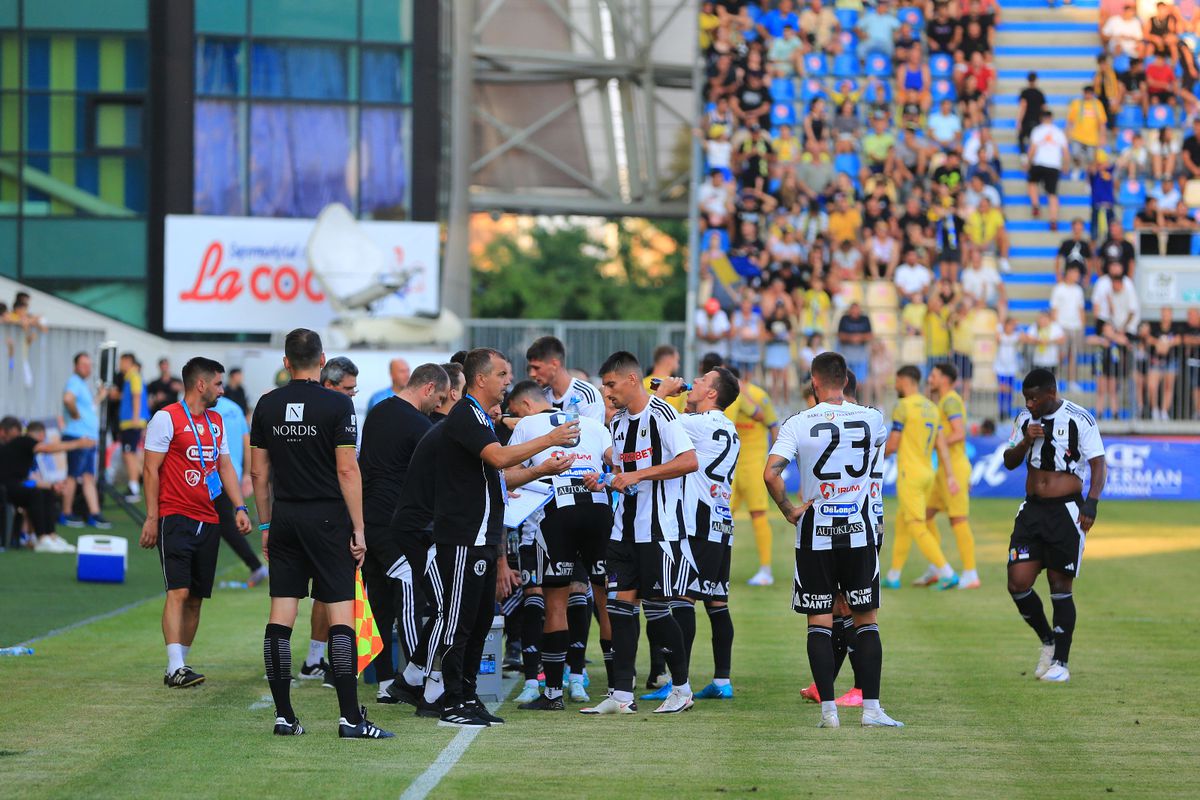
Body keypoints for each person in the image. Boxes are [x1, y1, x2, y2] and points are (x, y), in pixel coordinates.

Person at [250, 328, 393, 739]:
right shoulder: (337, 404)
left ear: (285, 361)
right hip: (329, 519)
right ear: (322, 358)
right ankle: (350, 718)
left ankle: (284, 717)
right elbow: (348, 470)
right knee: (340, 615)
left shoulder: (267, 404)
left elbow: (259, 473)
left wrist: (265, 524)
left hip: (286, 517)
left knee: (280, 616)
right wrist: (360, 528)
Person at [429, 348, 578, 727]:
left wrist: (543, 468)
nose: (507, 380)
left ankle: (467, 695)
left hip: (482, 535)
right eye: (502, 373)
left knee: (480, 621)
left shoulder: (481, 418)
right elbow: (498, 459)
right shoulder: (465, 414)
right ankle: (450, 701)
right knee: (460, 621)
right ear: (480, 379)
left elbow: (499, 476)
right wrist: (550, 438)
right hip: (463, 535)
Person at [764, 352, 903, 729]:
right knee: (866, 621)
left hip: (815, 531)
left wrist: (789, 509)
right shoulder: (873, 418)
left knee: (819, 622)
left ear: (814, 380)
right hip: (858, 530)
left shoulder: (797, 423)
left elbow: (771, 474)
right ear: (845, 380)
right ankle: (872, 710)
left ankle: (829, 712)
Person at [579, 351, 699, 716]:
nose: (606, 392)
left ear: (633, 380)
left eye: (611, 384)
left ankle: (681, 688)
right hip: (623, 530)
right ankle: (620, 694)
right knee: (619, 610)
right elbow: (625, 472)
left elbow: (689, 461)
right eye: (603, 386)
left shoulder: (662, 414)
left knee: (658, 612)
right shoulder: (616, 424)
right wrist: (604, 481)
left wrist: (636, 475)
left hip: (659, 530)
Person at [140, 357, 252, 688]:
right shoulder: (166, 418)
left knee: (197, 596)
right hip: (175, 515)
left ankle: (180, 665)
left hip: (209, 517)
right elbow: (150, 470)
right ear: (201, 384)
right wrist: (151, 517)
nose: (223, 389)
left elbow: (225, 466)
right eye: (218, 383)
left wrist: (240, 507)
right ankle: (174, 664)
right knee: (179, 590)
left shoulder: (216, 421)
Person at [504, 380, 614, 710]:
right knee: (603, 599)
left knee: (553, 600)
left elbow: (507, 474)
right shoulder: (594, 424)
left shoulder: (526, 425)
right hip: (598, 509)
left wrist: (536, 472)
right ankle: (619, 689)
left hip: (555, 512)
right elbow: (616, 464)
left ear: (525, 405)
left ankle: (551, 693)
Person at [1002, 368, 1107, 683]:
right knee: (1017, 581)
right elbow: (1009, 460)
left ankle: (1061, 661)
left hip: (1065, 512)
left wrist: (1092, 502)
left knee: (1060, 586)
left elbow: (1098, 463)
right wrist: (1025, 441)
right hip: (1032, 510)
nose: (1030, 403)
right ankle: (1047, 639)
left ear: (1051, 393)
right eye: (1026, 398)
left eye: (1035, 398)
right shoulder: (1024, 420)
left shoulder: (1079, 418)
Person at [357, 363, 450, 700]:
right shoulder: (418, 424)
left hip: (370, 520)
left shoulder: (378, 412)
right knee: (411, 595)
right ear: (427, 388)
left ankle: (384, 682)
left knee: (379, 600)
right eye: (438, 398)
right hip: (395, 524)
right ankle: (416, 676)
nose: (438, 406)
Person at [657, 368, 742, 701]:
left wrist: (664, 393)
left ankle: (679, 682)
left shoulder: (696, 424)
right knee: (717, 603)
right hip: (721, 522)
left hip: (696, 523)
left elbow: (655, 423)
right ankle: (722, 680)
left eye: (703, 380)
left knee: (682, 600)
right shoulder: (729, 428)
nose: (694, 381)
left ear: (711, 393)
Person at [883, 366, 961, 590]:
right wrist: (950, 476)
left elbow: (894, 443)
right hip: (928, 472)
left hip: (911, 474)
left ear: (902, 380)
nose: (895, 386)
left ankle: (947, 572)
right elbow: (942, 445)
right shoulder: (931, 407)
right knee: (903, 521)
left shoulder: (903, 406)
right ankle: (894, 575)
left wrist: (874, 454)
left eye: (896, 381)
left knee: (916, 525)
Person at [918, 362, 980, 590]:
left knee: (958, 519)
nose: (930, 378)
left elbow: (959, 433)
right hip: (943, 470)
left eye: (933, 375)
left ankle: (971, 573)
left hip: (954, 469)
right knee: (925, 516)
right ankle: (936, 567)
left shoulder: (951, 400)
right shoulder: (942, 401)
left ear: (944, 379)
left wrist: (933, 441)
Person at [0, 417, 94, 553]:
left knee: (45, 492)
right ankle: (41, 538)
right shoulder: (23, 441)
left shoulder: (17, 449)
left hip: (12, 486)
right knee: (35, 493)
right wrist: (79, 444)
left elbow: (27, 478)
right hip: (5, 488)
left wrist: (51, 486)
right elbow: (46, 448)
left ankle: (51, 536)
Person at [724, 366, 780, 587]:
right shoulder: (724, 396)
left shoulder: (758, 395)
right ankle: (718, 567)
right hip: (729, 465)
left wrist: (775, 463)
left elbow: (774, 424)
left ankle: (766, 570)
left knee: (758, 513)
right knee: (722, 516)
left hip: (754, 463)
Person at [213, 390, 267, 586]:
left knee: (223, 524)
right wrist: (245, 474)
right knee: (221, 523)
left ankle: (256, 566)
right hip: (232, 472)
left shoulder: (208, 410)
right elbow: (248, 442)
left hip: (217, 474)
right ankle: (256, 566)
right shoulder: (235, 409)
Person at [60, 352, 111, 530]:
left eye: (89, 365)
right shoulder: (74, 381)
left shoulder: (81, 384)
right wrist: (74, 413)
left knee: (88, 476)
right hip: (78, 437)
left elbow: (87, 408)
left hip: (87, 439)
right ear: (75, 366)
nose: (87, 368)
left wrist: (99, 397)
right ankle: (65, 513)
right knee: (73, 476)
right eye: (83, 364)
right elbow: (68, 399)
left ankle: (94, 513)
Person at [525, 335, 606, 421]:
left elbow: (593, 433)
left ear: (554, 364)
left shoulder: (586, 395)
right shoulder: (542, 397)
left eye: (537, 368)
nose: (532, 374)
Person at [1027, 109, 1070, 230]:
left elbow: (1033, 148)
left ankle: (1035, 205)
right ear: (1052, 118)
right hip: (1054, 165)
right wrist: (1066, 165)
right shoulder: (1058, 132)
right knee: (1052, 194)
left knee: (1032, 183)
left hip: (1039, 162)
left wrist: (1028, 162)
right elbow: (1066, 152)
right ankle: (1053, 220)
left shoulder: (1037, 130)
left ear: (1041, 118)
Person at [117, 352, 150, 502]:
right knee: (132, 454)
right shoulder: (130, 377)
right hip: (131, 421)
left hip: (132, 422)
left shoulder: (134, 376)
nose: (120, 365)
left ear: (128, 361)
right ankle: (134, 485)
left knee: (129, 454)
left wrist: (136, 417)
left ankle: (134, 487)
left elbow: (137, 396)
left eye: (122, 362)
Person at [1050, 266, 1087, 387]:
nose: (1077, 275)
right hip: (1062, 326)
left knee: (1074, 355)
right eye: (1075, 272)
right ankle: (1054, 379)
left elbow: (1081, 309)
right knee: (1060, 354)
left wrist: (1082, 326)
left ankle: (1072, 381)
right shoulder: (1059, 289)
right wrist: (1056, 327)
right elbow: (1054, 309)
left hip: (1076, 326)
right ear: (1068, 273)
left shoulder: (1078, 290)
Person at [1017, 72, 1046, 155]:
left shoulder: (1024, 93)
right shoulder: (1039, 93)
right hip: (1037, 121)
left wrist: (1019, 121)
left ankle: (1024, 155)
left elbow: (1023, 106)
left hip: (1026, 120)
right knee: (1034, 140)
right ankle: (1034, 156)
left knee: (1021, 137)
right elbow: (1044, 108)